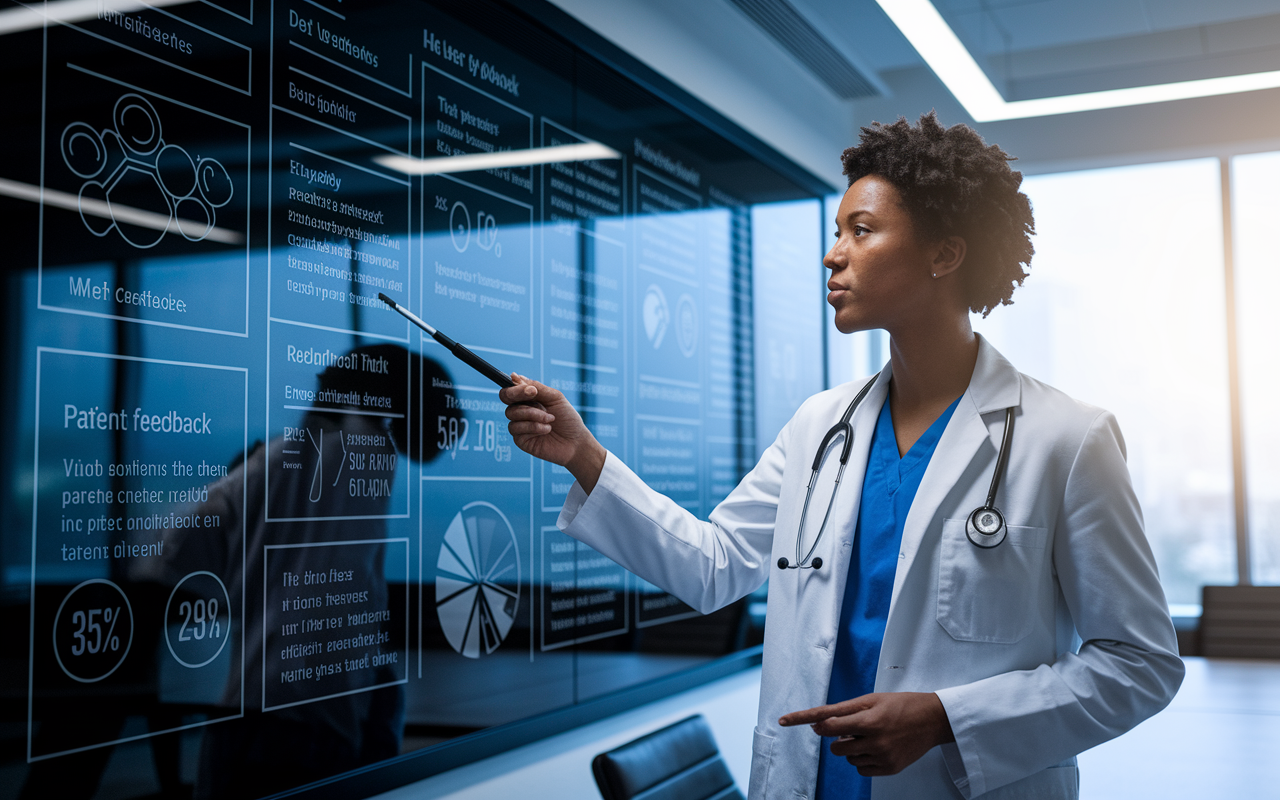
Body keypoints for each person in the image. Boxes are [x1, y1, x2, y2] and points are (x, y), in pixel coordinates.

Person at [500, 112, 1183, 799]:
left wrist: (950, 719)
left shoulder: (1067, 438)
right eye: (837, 233)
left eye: (862, 231)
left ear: (944, 255)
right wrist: (583, 455)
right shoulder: (819, 427)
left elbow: (1140, 663)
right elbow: (712, 566)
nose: (834, 255)